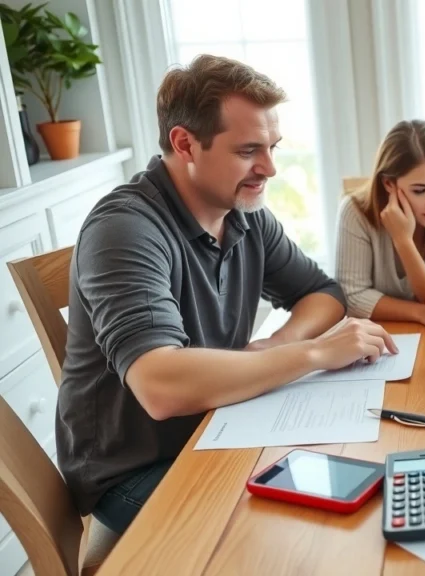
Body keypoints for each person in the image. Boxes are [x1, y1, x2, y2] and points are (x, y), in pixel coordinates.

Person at [57, 54, 397, 535]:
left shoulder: (243, 212)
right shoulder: (125, 230)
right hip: (139, 471)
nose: (271, 168)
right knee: (300, 534)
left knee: (359, 491)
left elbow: (323, 294)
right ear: (185, 144)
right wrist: (315, 351)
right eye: (248, 150)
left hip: (224, 425)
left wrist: (278, 344)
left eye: (274, 147)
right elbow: (160, 385)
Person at [336, 119, 425, 327]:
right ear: (388, 184)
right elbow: (351, 297)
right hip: (380, 335)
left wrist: (404, 243)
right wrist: (420, 313)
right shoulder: (355, 211)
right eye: (420, 190)